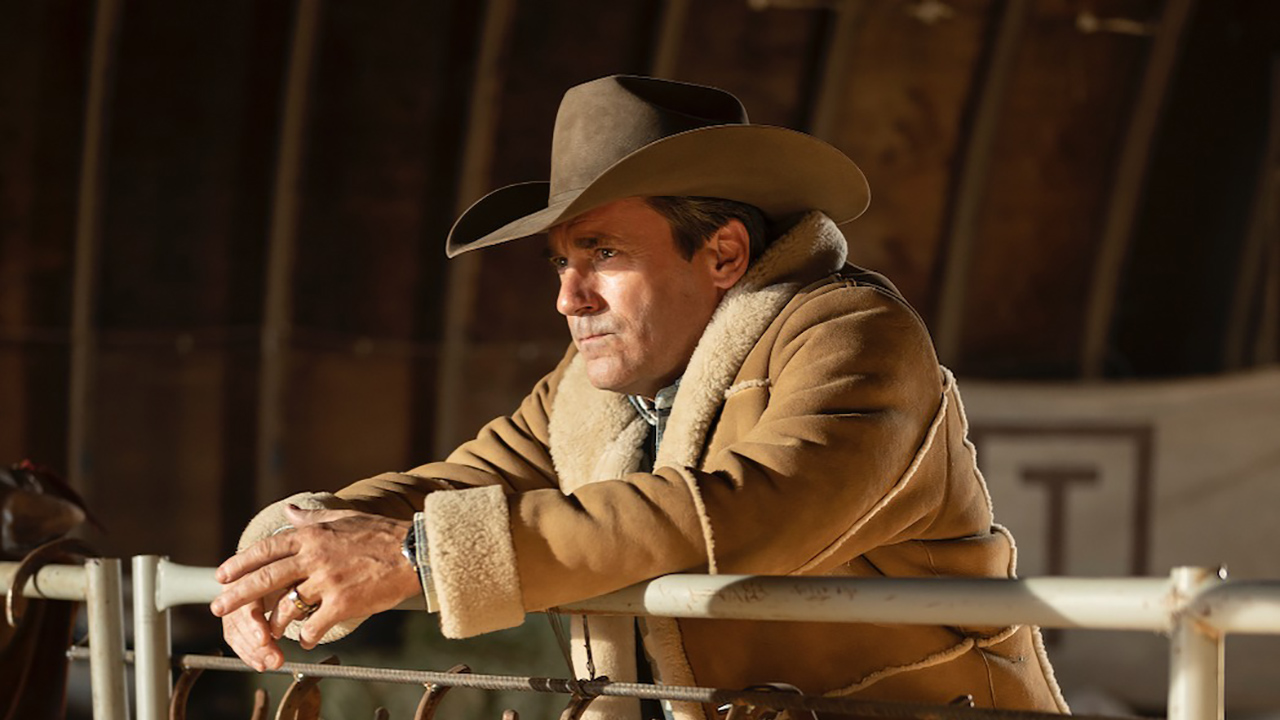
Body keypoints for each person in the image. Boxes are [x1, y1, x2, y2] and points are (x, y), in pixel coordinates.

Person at [211, 75, 1068, 719]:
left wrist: (417, 560)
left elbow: (754, 515)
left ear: (724, 255)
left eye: (604, 253)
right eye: (561, 260)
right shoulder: (585, 390)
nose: (567, 296)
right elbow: (460, 481)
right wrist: (295, 546)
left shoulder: (854, 334)